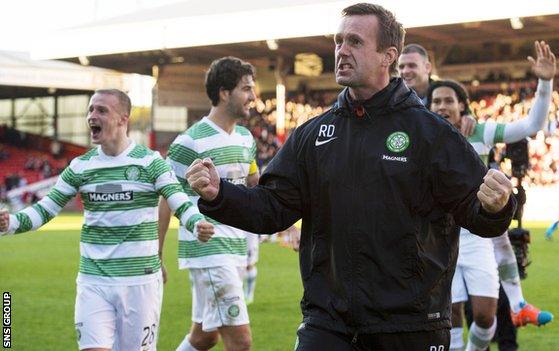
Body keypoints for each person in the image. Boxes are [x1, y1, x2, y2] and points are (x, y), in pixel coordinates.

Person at [186, 3, 516, 350]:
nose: (341, 51)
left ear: (389, 55)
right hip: (328, 323)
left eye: (355, 42)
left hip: (410, 327)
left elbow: (477, 213)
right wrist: (219, 194)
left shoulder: (431, 134)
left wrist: (496, 207)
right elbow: (273, 207)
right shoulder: (314, 135)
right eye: (338, 41)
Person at [0, 89, 214, 351]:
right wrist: (9, 222)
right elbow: (45, 208)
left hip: (140, 282)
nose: (92, 115)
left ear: (124, 119)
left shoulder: (151, 162)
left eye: (101, 110)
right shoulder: (81, 166)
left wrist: (196, 222)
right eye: (90, 109)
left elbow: (178, 199)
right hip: (94, 281)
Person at [426, 40, 556, 351]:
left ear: (462, 106)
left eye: (448, 101)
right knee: (451, 315)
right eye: (436, 102)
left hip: (475, 236)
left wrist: (545, 81)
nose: (441, 107)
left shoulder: (480, 133)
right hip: (440, 237)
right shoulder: (424, 135)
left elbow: (532, 124)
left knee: (484, 317)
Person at [158, 57, 258, 351]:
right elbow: (165, 196)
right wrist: (156, 252)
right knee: (240, 341)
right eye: (246, 89)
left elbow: (254, 186)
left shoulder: (245, 138)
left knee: (204, 336)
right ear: (225, 92)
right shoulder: (190, 142)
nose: (253, 97)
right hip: (209, 251)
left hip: (236, 247)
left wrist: (283, 225)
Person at [399, 43, 476, 136]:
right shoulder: (393, 99)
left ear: (427, 67)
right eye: (401, 67)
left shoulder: (447, 90)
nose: (405, 71)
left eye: (412, 66)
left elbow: (464, 112)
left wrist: (468, 116)